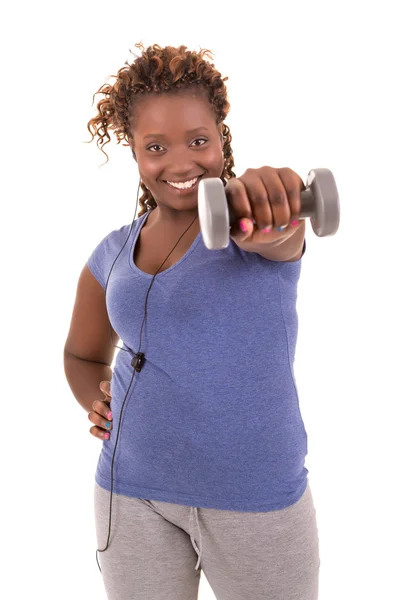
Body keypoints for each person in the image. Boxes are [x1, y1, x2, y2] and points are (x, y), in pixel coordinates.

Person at [64, 42, 320, 600]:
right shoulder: (113, 250)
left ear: (221, 136)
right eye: (156, 146)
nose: (180, 163)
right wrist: (96, 398)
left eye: (198, 140)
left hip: (255, 496)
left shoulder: (253, 223)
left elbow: (284, 236)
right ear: (133, 151)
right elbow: (81, 354)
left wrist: (277, 201)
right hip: (131, 494)